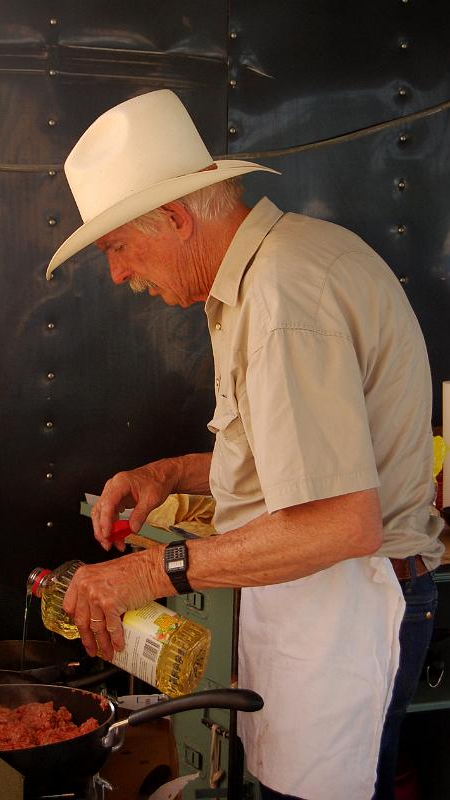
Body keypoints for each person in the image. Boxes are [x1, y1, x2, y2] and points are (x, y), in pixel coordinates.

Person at [45, 89, 444, 799]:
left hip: (344, 601)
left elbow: (342, 521)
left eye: (117, 245)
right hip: (315, 602)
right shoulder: (267, 274)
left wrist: (150, 572)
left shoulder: (284, 296)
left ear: (172, 219)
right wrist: (167, 472)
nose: (116, 273)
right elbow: (293, 465)